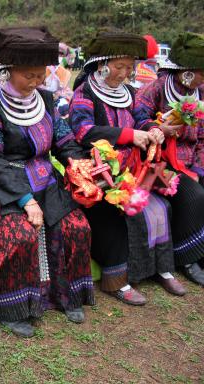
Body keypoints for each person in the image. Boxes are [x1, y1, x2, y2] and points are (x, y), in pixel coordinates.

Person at [0, 26, 95, 338]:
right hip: (1, 182)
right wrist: (26, 200)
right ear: (9, 71)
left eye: (41, 75)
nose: (36, 82)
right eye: (29, 75)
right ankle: (11, 305)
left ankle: (66, 294)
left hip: (42, 176)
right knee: (20, 236)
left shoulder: (48, 101)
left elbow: (64, 142)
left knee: (75, 226)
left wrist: (80, 164)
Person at [70, 30, 185, 305]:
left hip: (134, 169)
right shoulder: (84, 93)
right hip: (100, 173)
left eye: (129, 68)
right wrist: (129, 135)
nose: (125, 73)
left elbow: (141, 120)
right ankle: (117, 280)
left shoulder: (129, 94)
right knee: (114, 212)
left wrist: (153, 130)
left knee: (160, 207)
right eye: (119, 67)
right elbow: (82, 130)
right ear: (102, 65)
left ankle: (161, 268)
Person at [134, 32, 204, 286]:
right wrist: (157, 128)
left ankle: (201, 252)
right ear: (186, 70)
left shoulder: (201, 93)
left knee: (199, 183)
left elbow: (203, 138)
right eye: (201, 73)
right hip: (159, 162)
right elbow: (138, 116)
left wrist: (198, 166)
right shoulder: (155, 88)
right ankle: (186, 257)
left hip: (190, 159)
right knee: (195, 195)